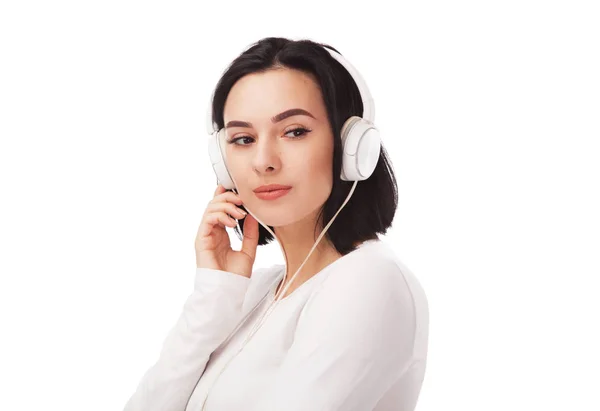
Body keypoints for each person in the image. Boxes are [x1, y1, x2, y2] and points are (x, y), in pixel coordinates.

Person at [123, 37, 429, 411]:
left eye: (294, 131)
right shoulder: (256, 291)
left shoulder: (370, 280)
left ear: (351, 146)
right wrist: (214, 293)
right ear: (222, 162)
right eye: (243, 138)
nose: (264, 161)